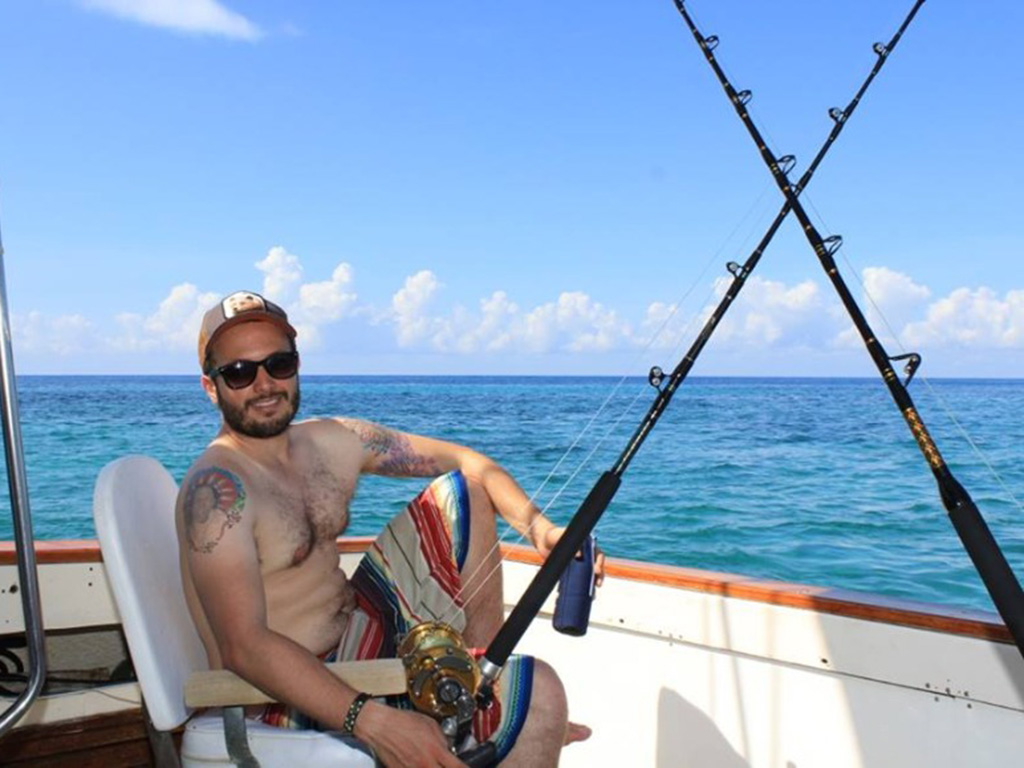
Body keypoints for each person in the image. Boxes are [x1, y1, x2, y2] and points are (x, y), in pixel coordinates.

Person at [176, 290, 602, 767]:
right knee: (541, 693)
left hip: (356, 637)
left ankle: (474, 694)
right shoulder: (216, 491)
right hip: (279, 699)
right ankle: (496, 716)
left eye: (279, 363)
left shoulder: (330, 441)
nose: (264, 384)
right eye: (239, 372)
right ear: (210, 387)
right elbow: (244, 646)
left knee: (466, 490)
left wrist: (542, 531)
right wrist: (373, 722)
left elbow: (469, 462)